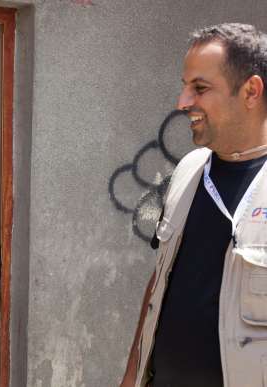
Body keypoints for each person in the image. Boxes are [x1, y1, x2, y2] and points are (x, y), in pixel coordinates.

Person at [121, 23, 267, 387]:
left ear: (251, 91)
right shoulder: (190, 169)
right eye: (185, 86)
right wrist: (130, 376)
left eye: (199, 88)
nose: (183, 102)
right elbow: (160, 281)